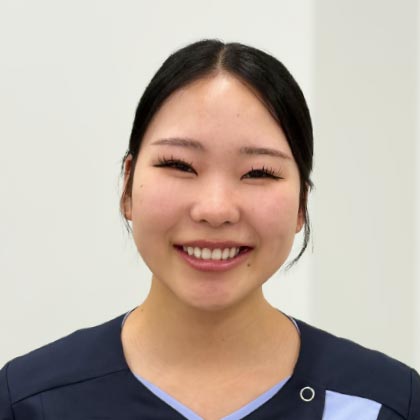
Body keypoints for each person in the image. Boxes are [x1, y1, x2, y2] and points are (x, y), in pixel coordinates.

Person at [0, 39, 418, 420]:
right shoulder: (29, 402)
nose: (215, 210)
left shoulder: (385, 404)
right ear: (127, 185)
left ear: (301, 205)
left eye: (258, 172)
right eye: (179, 165)